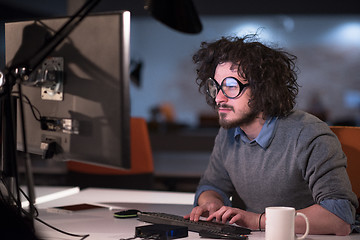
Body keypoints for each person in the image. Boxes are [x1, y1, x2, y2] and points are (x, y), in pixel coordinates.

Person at [185, 35, 359, 236]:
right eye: (215, 87)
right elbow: (211, 185)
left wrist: (257, 220)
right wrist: (212, 203)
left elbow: (340, 217)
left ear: (262, 90)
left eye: (231, 86)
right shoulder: (228, 134)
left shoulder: (309, 134)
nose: (219, 98)